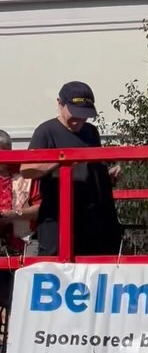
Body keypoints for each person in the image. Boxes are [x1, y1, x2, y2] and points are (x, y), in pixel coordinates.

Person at [20, 82, 122, 257]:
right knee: (56, 262)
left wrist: (106, 174)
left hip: (93, 215)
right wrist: (61, 162)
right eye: (74, 114)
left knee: (97, 262)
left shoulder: (91, 132)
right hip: (58, 214)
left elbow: (89, 166)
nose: (79, 120)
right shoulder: (46, 131)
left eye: (84, 116)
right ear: (60, 104)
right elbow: (27, 170)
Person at [0, 130, 41, 353]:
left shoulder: (26, 173)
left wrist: (14, 214)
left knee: (22, 296)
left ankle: (18, 345)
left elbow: (40, 207)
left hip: (22, 241)